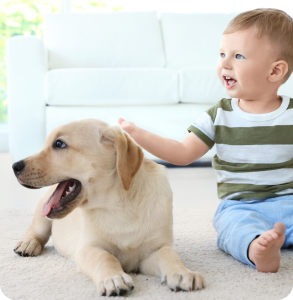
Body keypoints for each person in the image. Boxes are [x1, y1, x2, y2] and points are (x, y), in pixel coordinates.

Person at [118, 8, 293, 273]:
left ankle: (270, 239)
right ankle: (258, 248)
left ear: (275, 71)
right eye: (222, 54)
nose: (224, 64)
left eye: (238, 56)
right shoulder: (218, 115)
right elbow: (182, 153)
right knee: (234, 228)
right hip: (240, 205)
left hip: (289, 200)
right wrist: (138, 134)